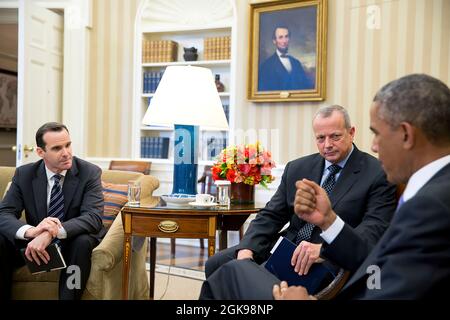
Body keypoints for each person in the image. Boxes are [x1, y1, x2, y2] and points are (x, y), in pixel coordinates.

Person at [274, 74, 450, 300]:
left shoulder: (430, 206)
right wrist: (328, 220)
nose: (374, 146)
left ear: (406, 134)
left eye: (377, 133)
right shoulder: (432, 191)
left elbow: (386, 289)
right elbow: (381, 268)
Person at [199, 105, 397, 299]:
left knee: (232, 273)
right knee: (217, 263)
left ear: (351, 132)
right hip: (283, 247)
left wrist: (325, 249)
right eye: (320, 138)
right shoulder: (298, 167)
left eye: (335, 136)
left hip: (323, 261)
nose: (327, 144)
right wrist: (247, 249)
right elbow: (271, 214)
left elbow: (373, 230)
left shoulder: (377, 173)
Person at [0, 122, 105, 300]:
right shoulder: (25, 174)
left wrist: (51, 232)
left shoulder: (89, 172)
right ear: (41, 153)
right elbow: (4, 213)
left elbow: (93, 217)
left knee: (82, 242)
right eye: (57, 148)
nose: (66, 153)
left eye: (68, 145)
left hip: (71, 242)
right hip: (35, 245)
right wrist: (31, 232)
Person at [258, 26, 314, 91]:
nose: (284, 41)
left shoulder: (296, 63)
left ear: (289, 39)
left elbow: (305, 87)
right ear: (274, 41)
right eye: (280, 37)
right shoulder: (266, 66)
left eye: (286, 36)